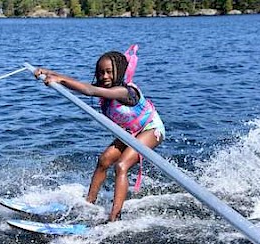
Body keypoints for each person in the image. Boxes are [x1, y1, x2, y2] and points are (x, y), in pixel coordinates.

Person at [34, 46, 165, 221]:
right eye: (101, 73)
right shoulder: (106, 87)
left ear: (119, 72)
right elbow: (85, 85)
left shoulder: (124, 92)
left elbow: (90, 91)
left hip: (151, 129)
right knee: (104, 160)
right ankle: (89, 203)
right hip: (131, 131)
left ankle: (114, 217)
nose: (104, 77)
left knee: (121, 166)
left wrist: (60, 80)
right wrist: (49, 72)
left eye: (109, 72)